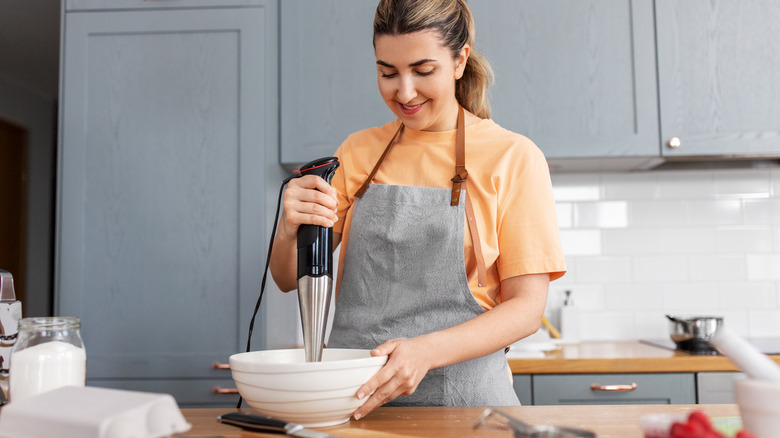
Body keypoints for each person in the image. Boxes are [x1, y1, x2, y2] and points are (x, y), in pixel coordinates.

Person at [270, 0, 565, 420]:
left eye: (423, 71)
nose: (404, 92)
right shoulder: (357, 152)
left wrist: (426, 351)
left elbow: (525, 309)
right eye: (387, 72)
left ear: (460, 60)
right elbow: (287, 279)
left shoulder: (513, 156)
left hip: (468, 406)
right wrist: (287, 228)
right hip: (357, 406)